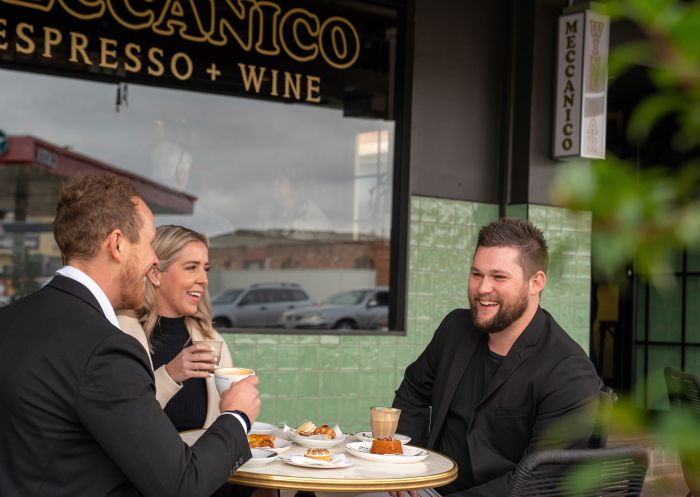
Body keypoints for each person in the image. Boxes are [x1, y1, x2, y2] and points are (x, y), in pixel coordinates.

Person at [0, 175, 260, 497]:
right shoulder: (106, 349)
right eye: (149, 243)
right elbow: (181, 485)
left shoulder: (9, 319)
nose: (154, 260)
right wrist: (236, 415)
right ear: (118, 244)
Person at [392, 218, 600, 497]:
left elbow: (538, 482)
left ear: (535, 282)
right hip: (427, 486)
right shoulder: (455, 328)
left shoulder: (568, 370)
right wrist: (405, 464)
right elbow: (413, 392)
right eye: (476, 274)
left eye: (498, 277)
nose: (482, 289)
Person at [118, 224, 234, 430]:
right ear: (155, 274)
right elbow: (121, 420)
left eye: (205, 269)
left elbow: (221, 423)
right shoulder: (121, 333)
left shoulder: (209, 339)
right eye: (191, 267)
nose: (204, 279)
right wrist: (170, 375)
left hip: (199, 462)